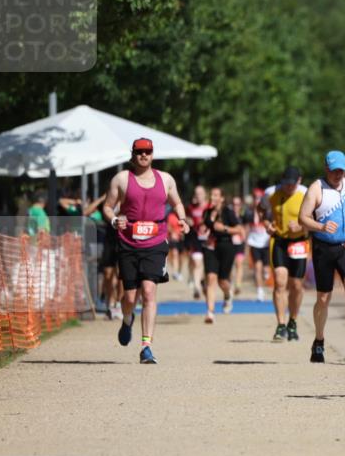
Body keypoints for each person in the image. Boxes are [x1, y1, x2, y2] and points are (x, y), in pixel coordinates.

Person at [103, 138, 189, 364]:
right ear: (133, 154)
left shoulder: (166, 179)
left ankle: (146, 346)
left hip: (155, 242)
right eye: (139, 152)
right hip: (128, 243)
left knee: (149, 292)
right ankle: (127, 318)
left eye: (148, 152)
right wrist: (114, 221)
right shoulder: (122, 179)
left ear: (153, 154)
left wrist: (182, 219)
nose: (144, 155)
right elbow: (107, 207)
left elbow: (177, 202)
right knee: (130, 296)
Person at [299, 151, 345, 362]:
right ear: (326, 169)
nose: (338, 175)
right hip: (323, 247)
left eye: (341, 171)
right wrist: (321, 226)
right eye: (334, 171)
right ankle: (319, 341)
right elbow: (303, 218)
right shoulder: (316, 188)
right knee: (323, 298)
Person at [264, 167, 309, 342]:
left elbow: (317, 219)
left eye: (292, 184)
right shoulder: (271, 193)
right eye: (286, 184)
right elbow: (261, 210)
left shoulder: (306, 194)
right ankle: (280, 324)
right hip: (279, 240)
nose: (289, 187)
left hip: (298, 242)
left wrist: (301, 227)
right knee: (280, 280)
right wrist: (267, 223)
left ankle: (293, 322)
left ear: (299, 181)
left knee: (296, 285)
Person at [201, 187, 241, 324]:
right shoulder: (206, 212)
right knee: (210, 278)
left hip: (226, 247)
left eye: (216, 195)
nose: (213, 197)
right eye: (211, 194)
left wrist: (224, 228)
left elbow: (239, 230)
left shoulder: (228, 212)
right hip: (211, 247)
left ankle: (227, 294)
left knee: (222, 281)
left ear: (222, 198)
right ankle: (210, 312)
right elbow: (204, 227)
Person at [246, 186, 272, 302]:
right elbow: (246, 227)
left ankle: (266, 275)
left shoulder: (268, 212)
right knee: (257, 267)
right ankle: (259, 291)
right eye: (255, 198)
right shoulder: (249, 212)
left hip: (265, 243)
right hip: (254, 243)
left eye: (258, 198)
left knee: (266, 269)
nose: (257, 200)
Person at [185, 185, 209, 299]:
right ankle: (197, 287)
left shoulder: (210, 207)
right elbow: (187, 218)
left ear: (205, 194)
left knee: (207, 265)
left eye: (200, 193)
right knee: (197, 262)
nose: (198, 196)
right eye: (196, 193)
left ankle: (202, 280)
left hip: (209, 239)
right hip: (196, 239)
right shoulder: (190, 208)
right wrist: (188, 221)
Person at [230, 195, 248, 296]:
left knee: (239, 263)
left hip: (240, 243)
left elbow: (246, 228)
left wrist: (244, 236)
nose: (235, 206)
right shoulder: (228, 215)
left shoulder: (243, 215)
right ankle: (231, 284)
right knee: (230, 265)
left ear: (240, 205)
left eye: (237, 204)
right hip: (230, 243)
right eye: (234, 204)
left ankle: (238, 285)